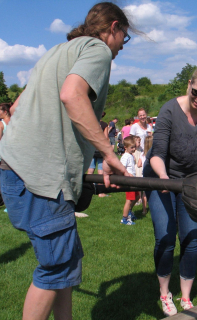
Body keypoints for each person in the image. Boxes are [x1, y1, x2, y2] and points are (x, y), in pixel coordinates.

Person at [0, 3, 134, 319]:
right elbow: (72, 95)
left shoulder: (57, 51)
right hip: (41, 179)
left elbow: (16, 109)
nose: (119, 49)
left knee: (67, 263)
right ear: (113, 28)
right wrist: (109, 154)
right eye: (123, 39)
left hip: (14, 169)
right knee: (55, 266)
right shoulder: (98, 50)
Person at [143, 64, 197, 316]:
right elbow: (157, 154)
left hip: (191, 181)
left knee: (191, 239)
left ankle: (186, 296)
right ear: (189, 84)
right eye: (196, 93)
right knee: (166, 237)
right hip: (161, 177)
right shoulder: (169, 110)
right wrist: (164, 178)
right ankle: (164, 291)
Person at [87, 111, 110, 198]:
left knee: (90, 170)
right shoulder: (104, 125)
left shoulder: (90, 123)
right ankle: (100, 192)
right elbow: (106, 138)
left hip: (91, 149)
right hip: (100, 150)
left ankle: (89, 189)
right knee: (101, 171)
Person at [120, 136, 139, 225]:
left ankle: (130, 212)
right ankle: (124, 218)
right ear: (125, 148)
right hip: (129, 181)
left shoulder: (130, 156)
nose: (134, 149)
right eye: (132, 147)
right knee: (129, 200)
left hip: (133, 180)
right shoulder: (125, 157)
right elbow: (121, 168)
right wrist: (128, 174)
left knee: (137, 196)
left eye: (134, 147)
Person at [137, 135, 153, 215]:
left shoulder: (142, 154)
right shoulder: (154, 154)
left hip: (145, 175)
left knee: (144, 194)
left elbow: (138, 164)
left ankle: (144, 210)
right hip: (153, 175)